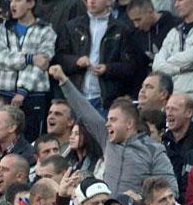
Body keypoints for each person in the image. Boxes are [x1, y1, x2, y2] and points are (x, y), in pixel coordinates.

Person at [52, 67, 177, 196]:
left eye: (113, 120)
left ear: (129, 124)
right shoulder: (106, 139)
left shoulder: (154, 150)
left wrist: (141, 199)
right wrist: (64, 80)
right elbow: (85, 110)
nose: (107, 124)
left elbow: (172, 189)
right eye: (108, 119)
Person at [54, 0, 141, 112]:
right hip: (76, 97)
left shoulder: (121, 29)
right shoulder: (72, 27)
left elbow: (131, 67)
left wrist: (108, 68)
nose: (91, 1)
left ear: (109, 0)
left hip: (106, 100)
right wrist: (76, 61)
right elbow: (60, 57)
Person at [0, 0, 56, 141]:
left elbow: (41, 64)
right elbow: (0, 57)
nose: (12, 4)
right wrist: (29, 59)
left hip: (34, 96)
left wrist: (23, 91)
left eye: (18, 0)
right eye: (11, 0)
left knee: (31, 140)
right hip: (6, 93)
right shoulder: (5, 27)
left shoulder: (45, 30)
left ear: (31, 4)